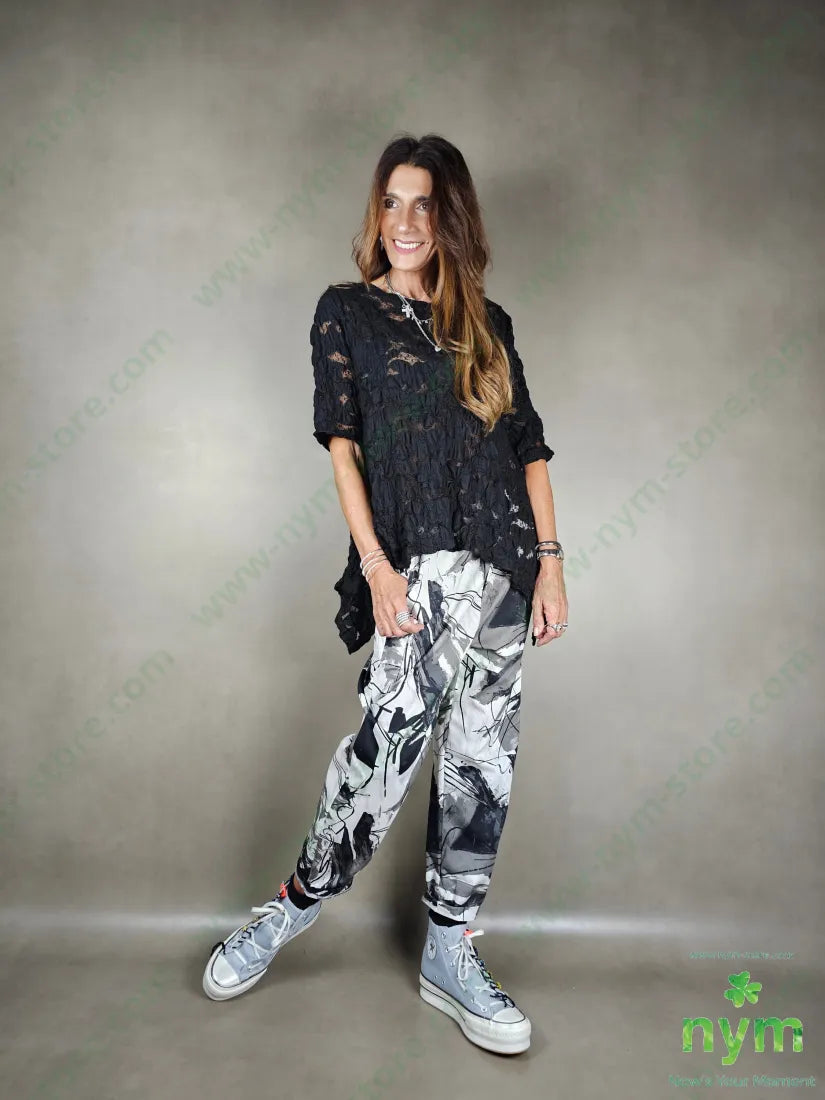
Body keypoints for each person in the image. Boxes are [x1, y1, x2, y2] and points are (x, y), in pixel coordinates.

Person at [202, 133, 568, 1056]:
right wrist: (375, 566)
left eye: (424, 205)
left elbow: (526, 448)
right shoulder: (346, 314)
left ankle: (451, 951)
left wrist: (551, 564)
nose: (405, 222)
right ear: (378, 214)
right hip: (414, 572)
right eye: (392, 202)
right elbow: (344, 450)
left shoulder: (489, 323)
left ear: (451, 219)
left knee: (481, 769)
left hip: (503, 574)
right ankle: (290, 907)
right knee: (379, 764)